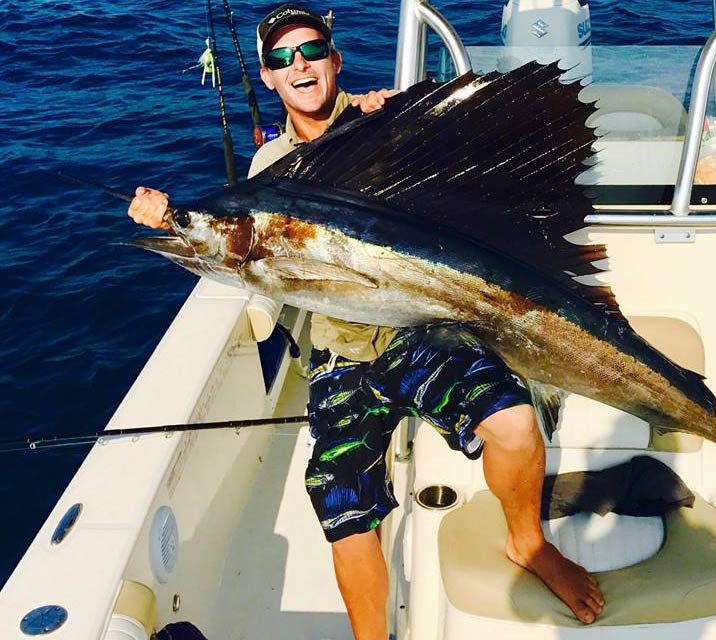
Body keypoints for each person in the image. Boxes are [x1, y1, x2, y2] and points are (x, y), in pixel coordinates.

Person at [128, 4, 604, 637]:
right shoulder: (267, 171)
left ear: (336, 60)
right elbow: (236, 252)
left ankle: (528, 543)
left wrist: (401, 112)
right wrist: (171, 220)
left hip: (420, 330)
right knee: (345, 508)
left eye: (311, 51)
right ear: (268, 78)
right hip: (337, 355)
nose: (298, 65)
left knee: (514, 423)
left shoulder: (382, 120)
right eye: (280, 59)